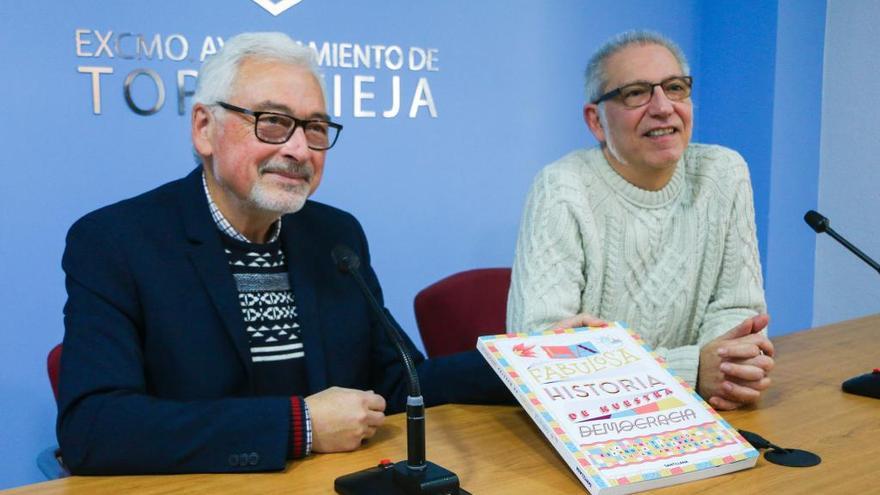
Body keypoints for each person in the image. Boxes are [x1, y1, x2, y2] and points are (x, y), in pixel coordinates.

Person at [57, 32, 508, 475]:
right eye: (272, 121)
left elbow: (400, 383)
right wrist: (301, 426)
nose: (298, 149)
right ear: (203, 129)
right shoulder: (116, 241)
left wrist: (525, 362)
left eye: (314, 128)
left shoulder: (335, 234)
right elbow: (95, 428)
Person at [506, 30, 774, 411]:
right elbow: (541, 353)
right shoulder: (561, 189)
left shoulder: (723, 172)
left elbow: (738, 308)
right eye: (636, 93)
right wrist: (689, 371)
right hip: (594, 425)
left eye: (675, 87)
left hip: (707, 410)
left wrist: (727, 368)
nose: (663, 107)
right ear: (595, 121)